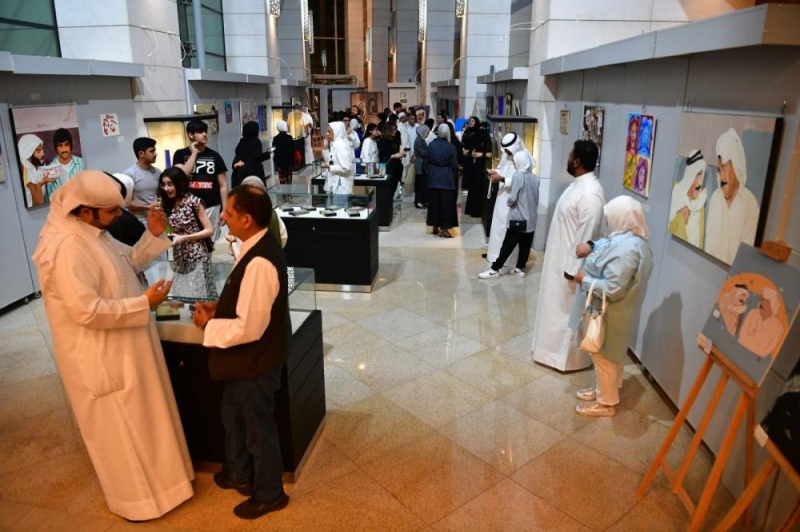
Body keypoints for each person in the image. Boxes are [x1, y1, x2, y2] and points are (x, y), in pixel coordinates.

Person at [31, 170, 193, 520]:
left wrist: (152, 234)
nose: (119, 215)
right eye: (111, 211)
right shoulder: (66, 248)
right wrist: (142, 304)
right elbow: (85, 311)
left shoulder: (92, 233)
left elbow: (126, 263)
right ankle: (140, 503)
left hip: (126, 344)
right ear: (84, 210)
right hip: (103, 356)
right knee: (124, 431)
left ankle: (169, 488)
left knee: (147, 419)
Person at [192, 185, 292, 520]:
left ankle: (270, 493)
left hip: (256, 362)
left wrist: (209, 324)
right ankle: (240, 473)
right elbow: (245, 302)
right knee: (234, 416)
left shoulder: (260, 261)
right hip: (244, 361)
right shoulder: (254, 247)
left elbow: (250, 327)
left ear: (247, 220)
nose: (223, 217)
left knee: (258, 430)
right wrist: (219, 307)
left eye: (229, 212)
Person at [570, 195, 653, 417]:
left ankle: (605, 403)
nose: (607, 222)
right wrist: (591, 245)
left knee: (603, 356)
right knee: (613, 355)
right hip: (619, 313)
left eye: (610, 217)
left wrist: (583, 279)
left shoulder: (627, 250)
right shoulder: (633, 240)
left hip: (609, 313)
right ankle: (606, 390)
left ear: (622, 217)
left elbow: (613, 289)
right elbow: (607, 244)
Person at [532, 140, 605, 372]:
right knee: (553, 311)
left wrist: (573, 270)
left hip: (569, 270)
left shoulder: (591, 194)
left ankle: (565, 360)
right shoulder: (578, 186)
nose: (567, 158)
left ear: (577, 161)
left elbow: (587, 236)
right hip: (558, 260)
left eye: (570, 154)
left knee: (566, 315)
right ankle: (547, 352)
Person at [478, 150, 539, 279]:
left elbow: (512, 197)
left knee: (507, 245)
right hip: (531, 219)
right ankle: (520, 269)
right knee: (525, 245)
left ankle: (494, 269)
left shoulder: (518, 176)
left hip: (518, 217)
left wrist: (508, 203)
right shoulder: (535, 178)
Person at [704, 128, 760, 264]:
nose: (721, 177)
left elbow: (746, 259)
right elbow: (708, 246)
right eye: (719, 170)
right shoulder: (715, 198)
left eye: (724, 168)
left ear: (736, 166)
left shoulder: (750, 205)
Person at [173, 120, 228, 241]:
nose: (204, 134)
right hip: (188, 207)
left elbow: (223, 184)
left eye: (205, 131)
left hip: (211, 206)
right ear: (191, 135)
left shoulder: (215, 156)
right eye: (200, 132)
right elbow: (182, 175)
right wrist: (194, 154)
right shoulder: (180, 154)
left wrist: (225, 209)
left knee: (211, 240)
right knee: (192, 240)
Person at [486, 133, 534, 270]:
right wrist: (495, 173)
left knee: (509, 231)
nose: (506, 152)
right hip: (502, 197)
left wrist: (501, 179)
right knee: (498, 227)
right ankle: (495, 255)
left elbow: (523, 180)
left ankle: (508, 260)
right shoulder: (507, 155)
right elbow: (502, 168)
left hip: (514, 200)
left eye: (508, 150)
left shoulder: (524, 158)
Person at [157, 166, 214, 263]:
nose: (166, 188)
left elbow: (209, 230)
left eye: (170, 184)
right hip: (178, 256)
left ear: (179, 184)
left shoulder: (193, 201)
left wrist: (184, 238)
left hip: (196, 255)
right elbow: (168, 229)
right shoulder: (167, 203)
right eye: (163, 185)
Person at [668, 149, 707, 248]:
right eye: (697, 175)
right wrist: (679, 217)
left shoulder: (700, 201)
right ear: (690, 176)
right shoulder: (677, 191)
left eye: (701, 175)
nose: (700, 183)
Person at [426, 124, 459, 238]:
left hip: (433, 177)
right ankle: (444, 228)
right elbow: (454, 164)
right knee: (446, 205)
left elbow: (427, 159)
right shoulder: (451, 147)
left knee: (434, 203)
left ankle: (435, 225)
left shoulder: (431, 145)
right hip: (446, 178)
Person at [123, 137, 166, 223]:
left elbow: (161, 194)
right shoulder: (130, 174)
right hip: (139, 221)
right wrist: (147, 207)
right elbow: (127, 203)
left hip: (158, 218)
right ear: (141, 153)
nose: (155, 154)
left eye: (155, 151)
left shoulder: (157, 172)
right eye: (152, 151)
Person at [738, 287, 784, 357]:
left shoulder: (778, 327)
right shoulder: (753, 313)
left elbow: (764, 352)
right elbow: (742, 337)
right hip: (740, 350)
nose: (760, 302)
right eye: (760, 299)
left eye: (764, 300)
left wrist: (750, 340)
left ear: (772, 303)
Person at [106, 172, 147, 247]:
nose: (133, 195)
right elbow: (144, 238)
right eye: (132, 191)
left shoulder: (107, 214)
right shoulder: (125, 218)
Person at [463, 117, 491, 217]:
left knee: (479, 189)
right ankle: (472, 210)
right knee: (473, 188)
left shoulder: (487, 140)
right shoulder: (477, 137)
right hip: (474, 166)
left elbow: (489, 154)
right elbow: (472, 147)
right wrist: (471, 152)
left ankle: (477, 211)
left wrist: (481, 154)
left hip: (482, 168)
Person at [18, 133, 55, 206]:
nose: (43, 154)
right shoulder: (22, 170)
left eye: (42, 150)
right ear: (28, 153)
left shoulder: (42, 166)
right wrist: (41, 184)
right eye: (38, 151)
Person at [231, 121, 272, 188]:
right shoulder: (256, 142)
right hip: (255, 173)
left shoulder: (241, 142)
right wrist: (268, 153)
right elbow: (258, 157)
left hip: (242, 174)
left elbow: (236, 161)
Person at [47, 128, 85, 195]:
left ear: (71, 146)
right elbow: (51, 196)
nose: (64, 149)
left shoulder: (82, 163)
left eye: (66, 145)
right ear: (56, 148)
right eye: (60, 145)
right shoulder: (50, 169)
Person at [323, 122, 355, 195]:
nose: (327, 134)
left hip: (341, 185)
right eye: (327, 131)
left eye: (329, 131)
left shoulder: (341, 146)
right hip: (334, 183)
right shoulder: (334, 144)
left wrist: (330, 167)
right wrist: (325, 148)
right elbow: (329, 160)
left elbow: (346, 167)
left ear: (337, 132)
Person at [377, 122, 404, 197]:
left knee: (393, 186)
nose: (395, 131)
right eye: (393, 130)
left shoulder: (394, 139)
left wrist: (401, 153)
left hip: (396, 166)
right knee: (387, 187)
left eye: (395, 129)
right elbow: (382, 155)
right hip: (387, 166)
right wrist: (394, 156)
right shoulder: (383, 141)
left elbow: (396, 150)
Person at [272, 120, 295, 185]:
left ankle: (284, 190)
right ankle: (289, 190)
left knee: (282, 178)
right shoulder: (289, 137)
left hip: (280, 162)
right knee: (289, 178)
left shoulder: (275, 138)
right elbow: (293, 149)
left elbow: (274, 149)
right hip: (289, 160)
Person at [413, 124, 430, 208]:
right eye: (427, 132)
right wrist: (430, 150)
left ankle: (422, 201)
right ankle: (418, 202)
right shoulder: (419, 140)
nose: (428, 134)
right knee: (420, 185)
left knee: (422, 184)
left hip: (422, 164)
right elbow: (422, 153)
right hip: (420, 165)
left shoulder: (421, 139)